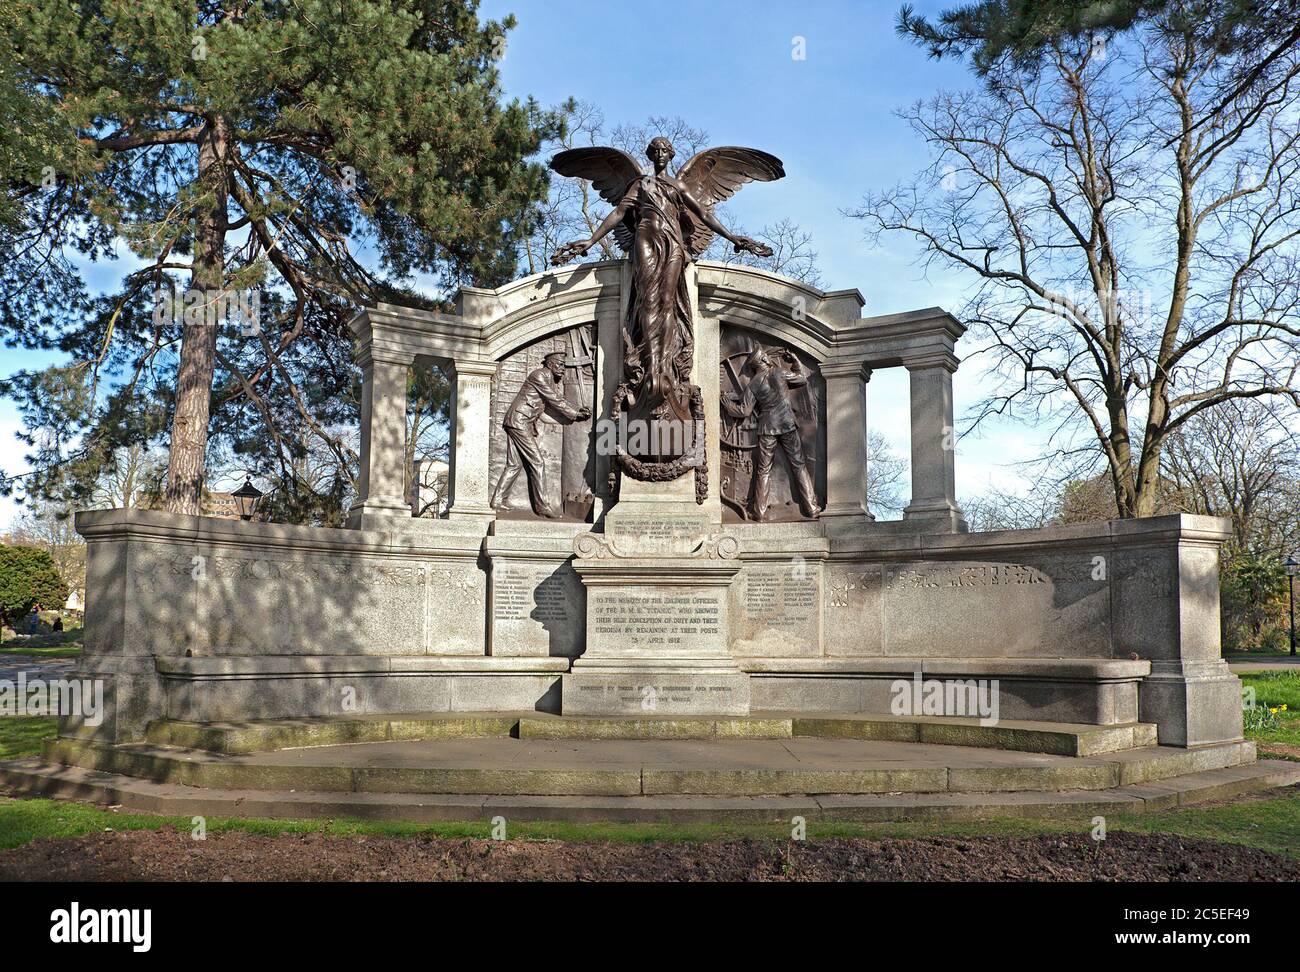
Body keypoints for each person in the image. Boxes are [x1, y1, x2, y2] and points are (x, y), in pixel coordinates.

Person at [722, 346, 822, 521]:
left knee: (763, 470)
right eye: (767, 357)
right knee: (798, 465)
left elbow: (743, 411)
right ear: (764, 361)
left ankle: (759, 513)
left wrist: (727, 405)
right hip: (787, 424)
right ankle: (812, 508)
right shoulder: (779, 373)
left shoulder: (754, 383)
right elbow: (801, 379)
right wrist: (796, 361)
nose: (769, 359)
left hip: (767, 427)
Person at [491, 352, 591, 517]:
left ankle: (497, 500)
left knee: (514, 465)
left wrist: (577, 412)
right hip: (519, 421)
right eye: (560, 365)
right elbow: (554, 399)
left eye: (563, 365)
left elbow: (553, 403)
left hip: (518, 421)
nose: (563, 369)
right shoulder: (539, 375)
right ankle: (542, 506)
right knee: (537, 462)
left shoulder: (549, 379)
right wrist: (574, 414)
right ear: (550, 364)